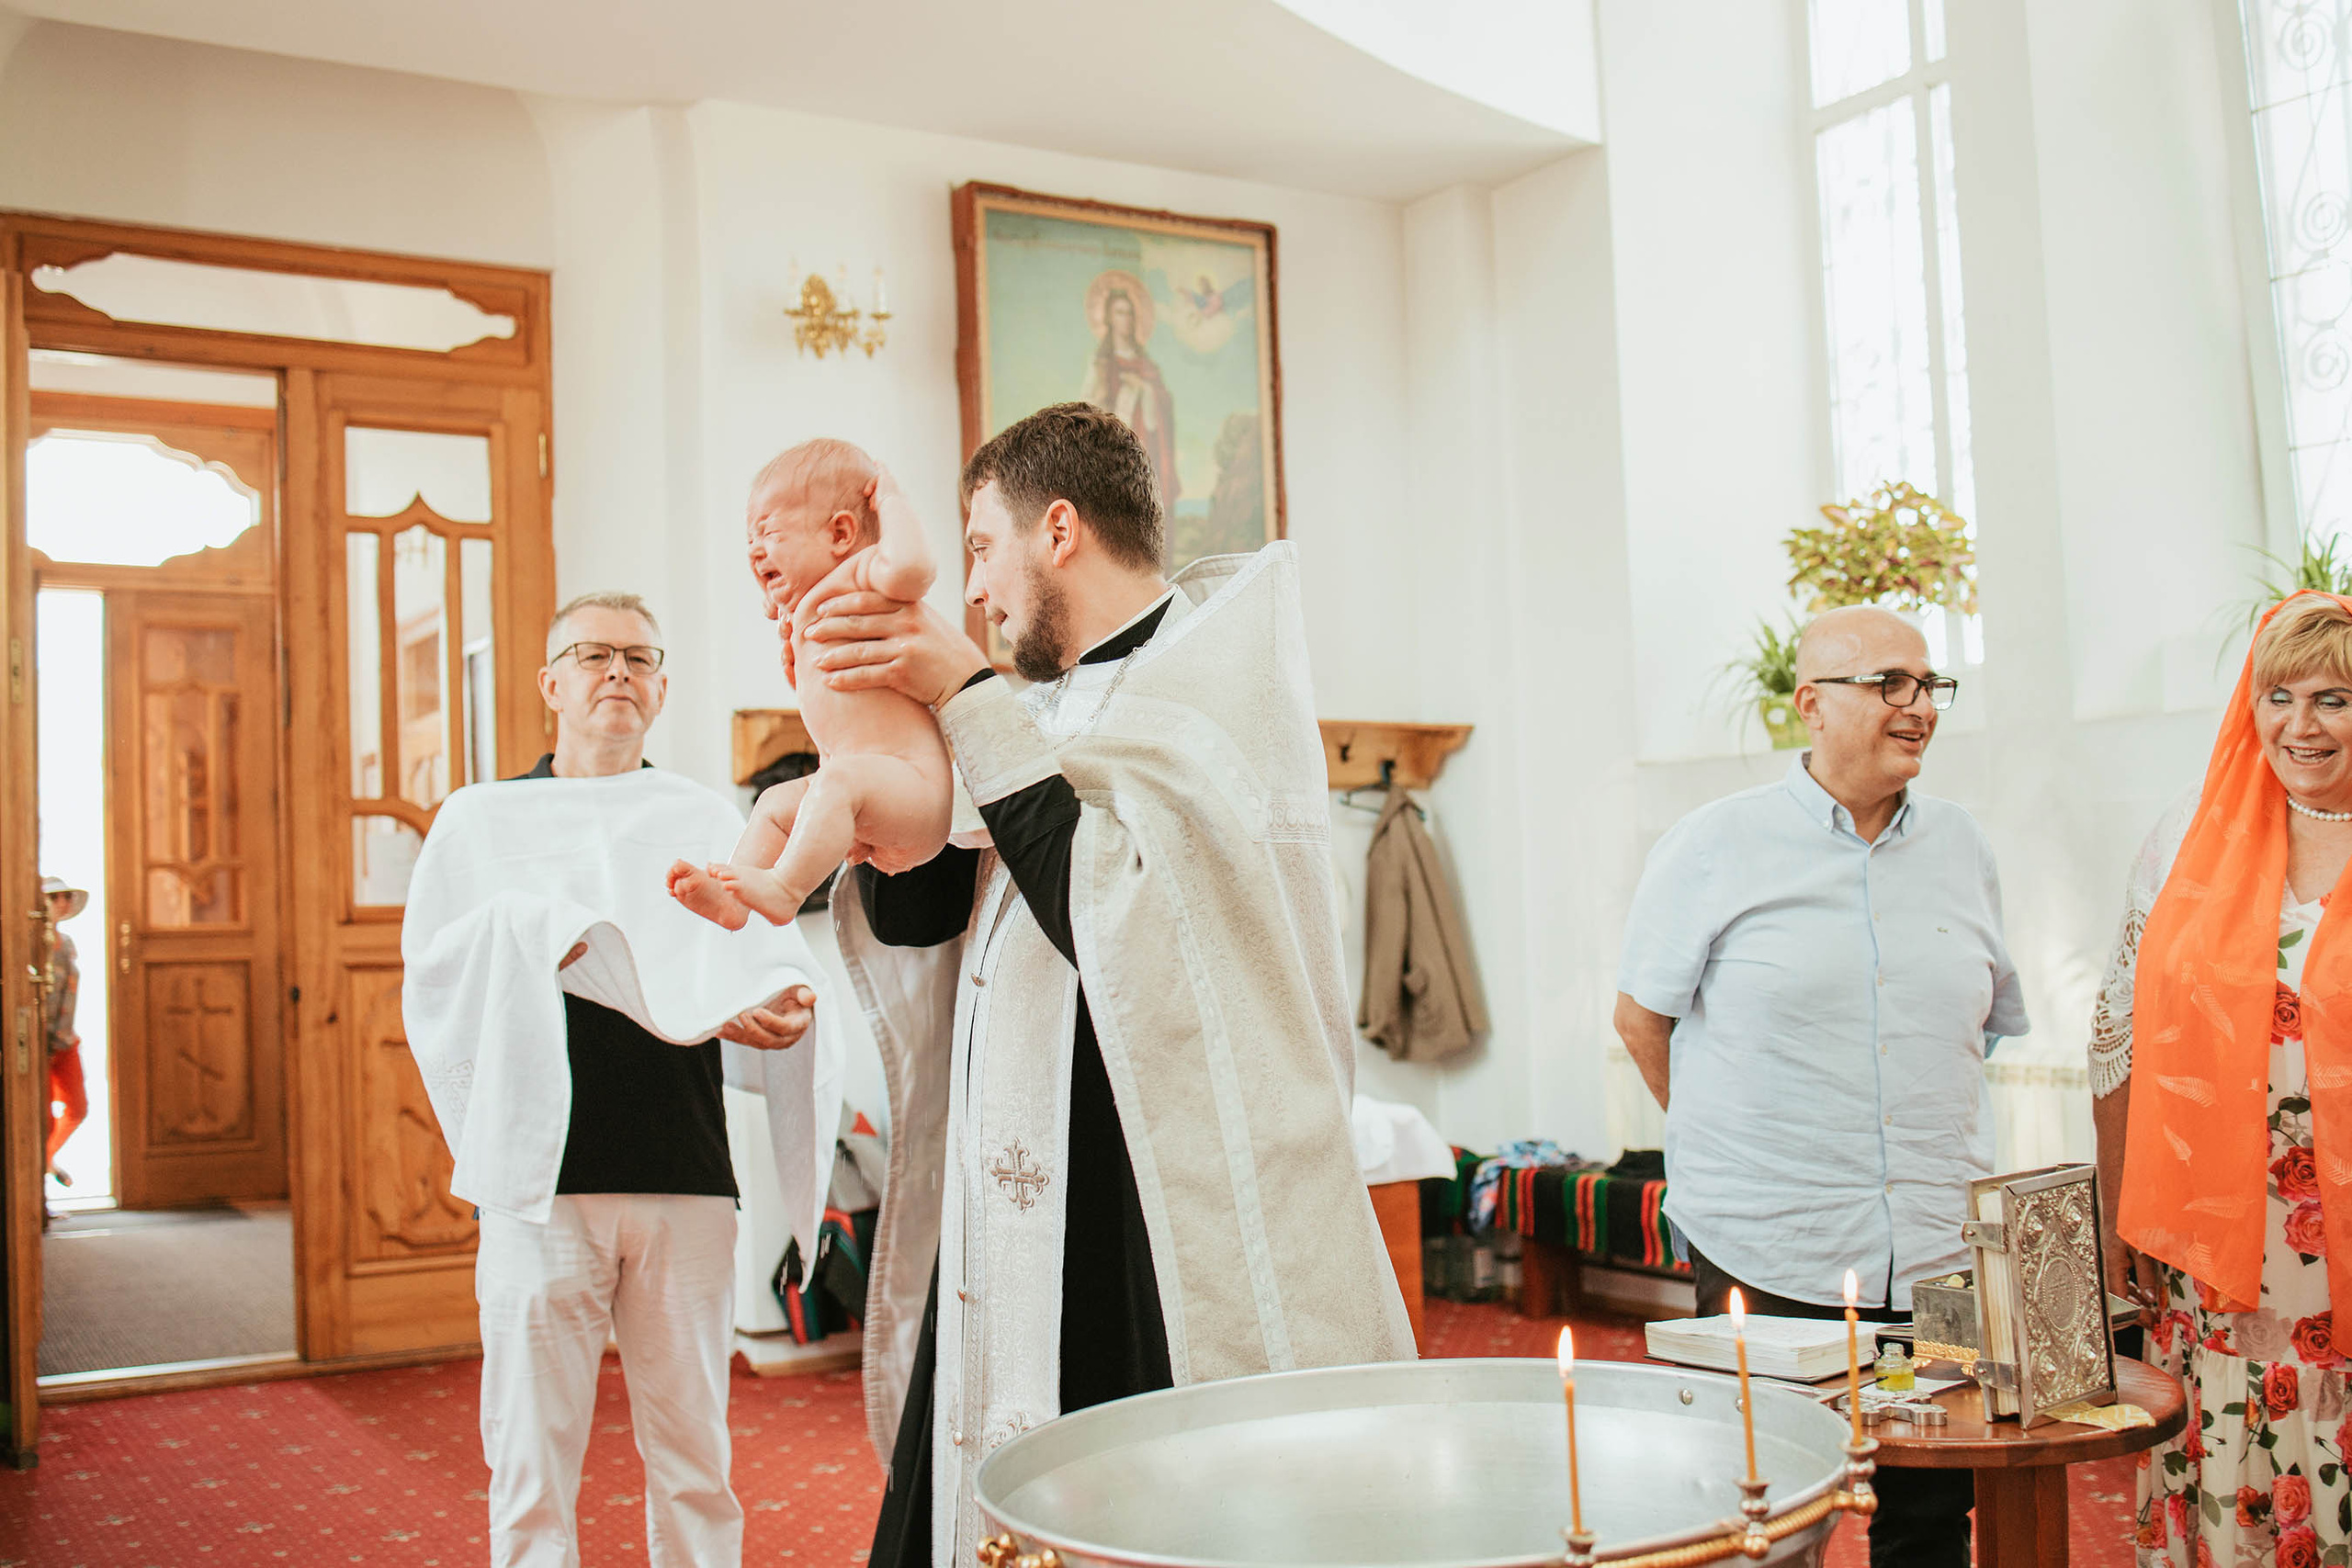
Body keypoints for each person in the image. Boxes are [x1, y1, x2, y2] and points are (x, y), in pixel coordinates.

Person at [794, 402, 1413, 1567]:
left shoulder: (1212, 694)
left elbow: (1115, 909)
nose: (972, 590)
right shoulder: (1026, 703)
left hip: (1150, 1210)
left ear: (1059, 529)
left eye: (980, 546)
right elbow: (923, 914)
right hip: (1010, 1194)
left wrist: (967, 697)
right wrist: (874, 736)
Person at [401, 590, 825, 1568]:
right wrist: (534, 941)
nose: (618, 674)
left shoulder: (697, 814)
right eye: (593, 656)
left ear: (664, 687)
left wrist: (780, 1006)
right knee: (531, 1455)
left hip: (682, 1161)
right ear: (551, 683)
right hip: (540, 1175)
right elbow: (435, 975)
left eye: (639, 659)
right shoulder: (479, 821)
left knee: (692, 1455)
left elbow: (750, 959)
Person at [1614, 605, 2028, 1568]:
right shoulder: (1714, 844)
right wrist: (1744, 1144)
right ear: (1811, 704)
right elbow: (1641, 1023)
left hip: (1934, 1261)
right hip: (1768, 1249)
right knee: (1767, 1517)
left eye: (1928, 686)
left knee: (1929, 1511)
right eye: (1890, 684)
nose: (1918, 706)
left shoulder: (1963, 847)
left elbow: (1981, 1032)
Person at [2094, 591, 2352, 1564]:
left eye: (2332, 698)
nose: (2300, 725)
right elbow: (2116, 1022)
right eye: (2277, 696)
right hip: (2218, 1229)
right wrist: (2119, 1201)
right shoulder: (2187, 838)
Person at [670, 441, 952, 930]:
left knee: (837, 782)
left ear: (841, 532)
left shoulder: (863, 579)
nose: (755, 550)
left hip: (915, 787)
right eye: (750, 541)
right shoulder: (807, 609)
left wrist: (891, 499)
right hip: (868, 791)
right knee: (774, 803)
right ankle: (735, 898)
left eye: (770, 533)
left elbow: (914, 567)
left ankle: (786, 889)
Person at [1080, 279, 1178, 513]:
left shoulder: (1149, 367)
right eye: (1120, 313)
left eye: (1130, 313)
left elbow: (1164, 406)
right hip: (1115, 452)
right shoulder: (1101, 364)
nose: (1126, 319)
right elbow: (1089, 410)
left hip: (1148, 445)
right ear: (1109, 318)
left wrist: (1144, 390)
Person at [41, 874, 88, 1187]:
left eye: (67, 897)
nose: (63, 903)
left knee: (77, 1108)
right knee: (41, 1117)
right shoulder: (34, 944)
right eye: (56, 897)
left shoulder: (66, 943)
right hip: (41, 1041)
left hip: (64, 1039)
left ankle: (45, 1161)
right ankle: (42, 1176)